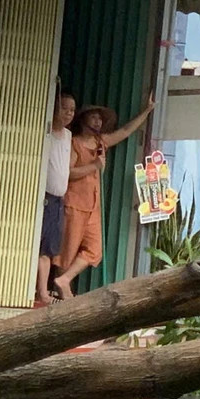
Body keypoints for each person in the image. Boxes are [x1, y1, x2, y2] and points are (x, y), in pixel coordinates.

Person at [56, 95, 154, 296]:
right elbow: (68, 173)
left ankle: (64, 279)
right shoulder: (74, 143)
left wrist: (147, 110)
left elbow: (125, 131)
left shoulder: (101, 142)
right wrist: (94, 166)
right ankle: (64, 293)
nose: (98, 121)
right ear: (83, 120)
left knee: (94, 249)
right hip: (74, 204)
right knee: (67, 251)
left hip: (93, 207)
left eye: (100, 118)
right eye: (93, 117)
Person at [37, 90, 78, 304]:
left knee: (49, 248)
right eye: (64, 109)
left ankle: (43, 291)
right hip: (43, 196)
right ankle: (42, 293)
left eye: (72, 110)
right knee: (41, 246)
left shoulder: (68, 136)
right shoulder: (45, 134)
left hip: (58, 199)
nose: (69, 114)